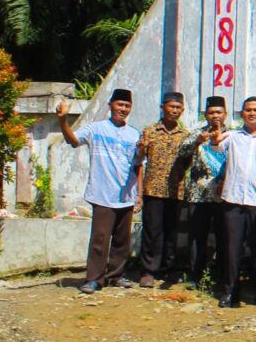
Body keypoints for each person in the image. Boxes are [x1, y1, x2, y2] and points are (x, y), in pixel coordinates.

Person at [57, 89, 140, 294]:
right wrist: (63, 121)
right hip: (102, 194)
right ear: (110, 105)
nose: (123, 109)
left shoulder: (134, 134)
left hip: (126, 196)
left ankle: (116, 276)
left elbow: (138, 165)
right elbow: (73, 141)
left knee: (122, 241)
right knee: (100, 239)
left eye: (127, 106)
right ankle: (94, 278)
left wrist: (139, 193)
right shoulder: (96, 129)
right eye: (119, 104)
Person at [211, 96, 256, 308]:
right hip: (233, 201)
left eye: (255, 110)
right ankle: (230, 293)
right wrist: (215, 139)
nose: (251, 113)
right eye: (247, 110)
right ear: (242, 113)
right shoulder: (232, 137)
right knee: (232, 249)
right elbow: (216, 148)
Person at [136, 91, 188, 287]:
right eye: (171, 106)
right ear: (162, 107)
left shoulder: (186, 136)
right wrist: (141, 149)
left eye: (178, 108)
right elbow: (139, 159)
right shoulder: (149, 132)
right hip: (153, 190)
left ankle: (170, 268)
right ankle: (149, 270)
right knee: (152, 231)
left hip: (176, 191)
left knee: (172, 232)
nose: (174, 111)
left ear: (182, 111)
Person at [178, 96, 229, 289]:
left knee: (224, 238)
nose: (215, 116)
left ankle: (222, 276)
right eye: (211, 112)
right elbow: (181, 152)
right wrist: (196, 142)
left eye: (219, 112)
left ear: (225, 114)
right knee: (197, 237)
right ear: (205, 115)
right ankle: (195, 275)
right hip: (197, 196)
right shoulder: (197, 134)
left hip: (223, 196)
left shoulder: (233, 135)